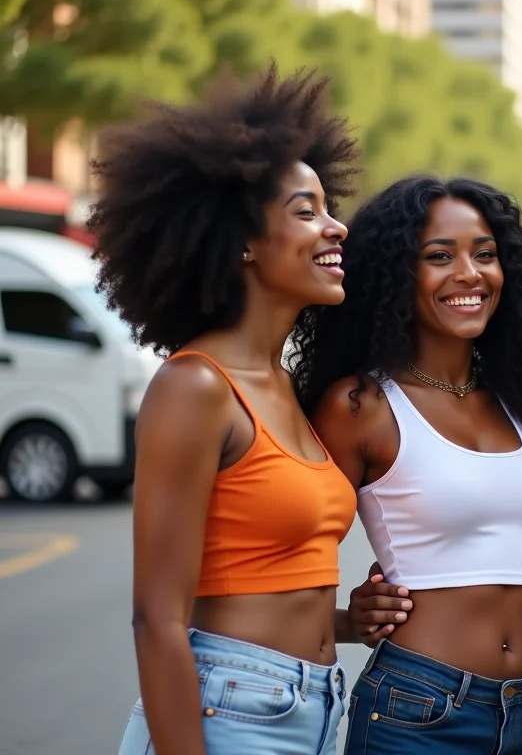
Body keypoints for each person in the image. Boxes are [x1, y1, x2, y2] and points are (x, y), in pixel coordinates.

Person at [99, 64, 385, 755]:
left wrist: (348, 621)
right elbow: (156, 618)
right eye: (306, 210)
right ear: (243, 242)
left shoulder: (283, 384)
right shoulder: (196, 387)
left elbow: (257, 578)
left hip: (312, 710)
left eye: (330, 205)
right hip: (229, 714)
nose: (336, 227)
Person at [291, 175, 522, 754]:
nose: (469, 273)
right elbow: (289, 558)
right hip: (420, 712)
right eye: (439, 256)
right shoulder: (360, 406)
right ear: (397, 275)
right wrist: (350, 619)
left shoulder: (521, 399)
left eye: (485, 255)